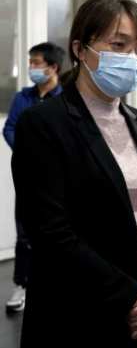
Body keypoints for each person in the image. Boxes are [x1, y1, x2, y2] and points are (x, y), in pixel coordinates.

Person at [11, 0, 137, 347]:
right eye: (119, 45)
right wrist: (134, 300)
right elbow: (53, 236)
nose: (132, 58)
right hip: (81, 314)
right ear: (80, 49)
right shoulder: (43, 124)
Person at [3, 42, 64, 313]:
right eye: (30, 62)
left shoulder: (66, 99)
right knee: (25, 235)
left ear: (53, 67)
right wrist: (29, 153)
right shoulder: (22, 98)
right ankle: (22, 285)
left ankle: (58, 286)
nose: (31, 67)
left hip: (59, 181)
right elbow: (10, 128)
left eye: (36, 63)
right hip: (28, 178)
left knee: (61, 233)